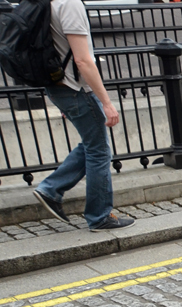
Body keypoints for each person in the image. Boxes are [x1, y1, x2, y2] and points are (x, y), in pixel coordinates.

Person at [31, 0, 133, 231]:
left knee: (92, 144)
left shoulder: (46, 2)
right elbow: (83, 60)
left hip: (58, 86)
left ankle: (51, 188)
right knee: (99, 151)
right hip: (77, 88)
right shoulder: (70, 4)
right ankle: (99, 216)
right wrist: (106, 103)